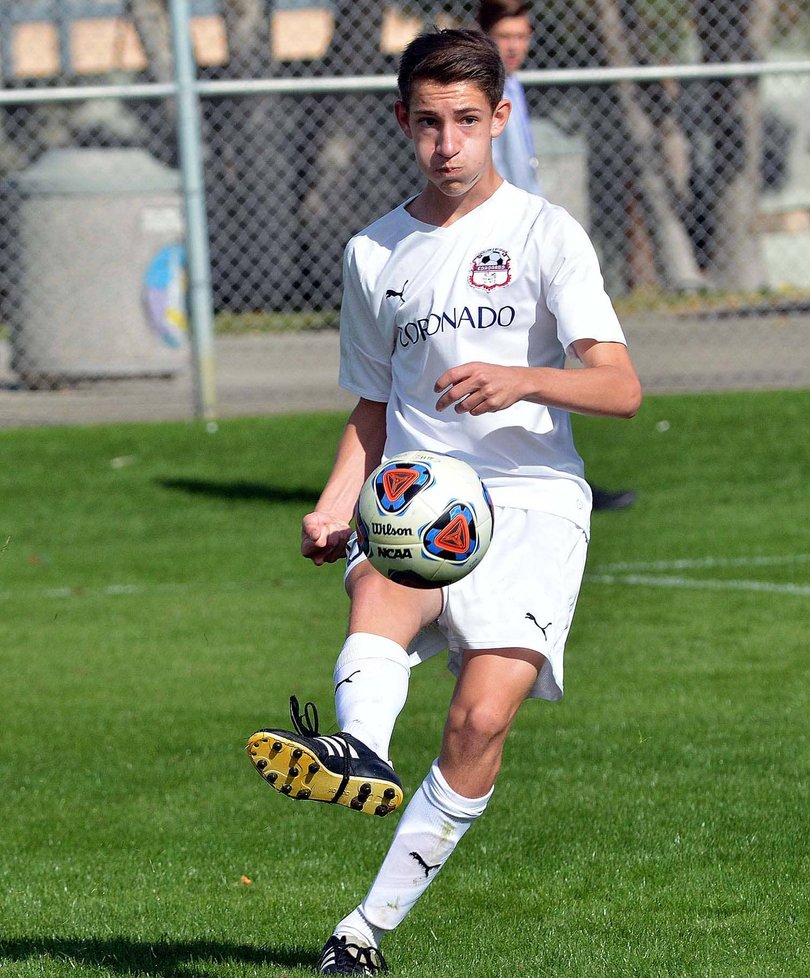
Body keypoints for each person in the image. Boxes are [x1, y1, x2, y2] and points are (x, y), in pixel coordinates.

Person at [247, 28, 642, 975]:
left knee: (479, 722)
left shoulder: (548, 234)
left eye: (467, 121)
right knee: (376, 588)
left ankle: (363, 930)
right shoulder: (374, 251)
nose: (447, 143)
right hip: (419, 488)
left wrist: (525, 380)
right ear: (402, 123)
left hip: (536, 499)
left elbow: (621, 387)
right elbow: (374, 405)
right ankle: (358, 752)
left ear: (499, 118)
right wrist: (333, 502)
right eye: (428, 123)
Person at [478, 0, 637, 512]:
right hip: (497, 255)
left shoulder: (515, 91)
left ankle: (561, 477)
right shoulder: (481, 99)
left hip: (531, 245)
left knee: (558, 365)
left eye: (522, 36)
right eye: (504, 36)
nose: (514, 46)